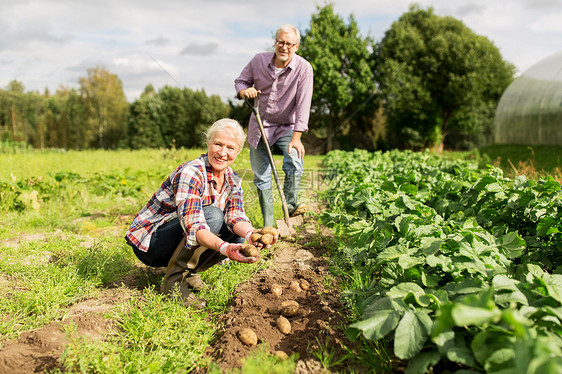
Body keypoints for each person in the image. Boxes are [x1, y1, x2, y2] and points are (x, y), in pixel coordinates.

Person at [125, 118, 275, 309]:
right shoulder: (191, 172)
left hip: (181, 236)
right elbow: (194, 225)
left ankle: (190, 274)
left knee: (236, 234)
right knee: (212, 216)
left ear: (237, 152)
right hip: (151, 243)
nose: (222, 153)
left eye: (230, 148)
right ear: (208, 143)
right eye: (218, 144)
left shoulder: (233, 179)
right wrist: (224, 249)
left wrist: (252, 235)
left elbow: (235, 216)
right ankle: (173, 282)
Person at [235, 24, 313, 227]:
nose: (284, 47)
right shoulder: (258, 60)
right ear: (275, 42)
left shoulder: (304, 69)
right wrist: (245, 92)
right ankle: (269, 225)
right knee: (261, 177)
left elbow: (303, 103)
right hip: (260, 126)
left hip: (286, 126)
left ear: (296, 46)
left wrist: (297, 138)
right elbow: (241, 81)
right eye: (280, 42)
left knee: (294, 161)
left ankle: (292, 206)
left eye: (289, 43)